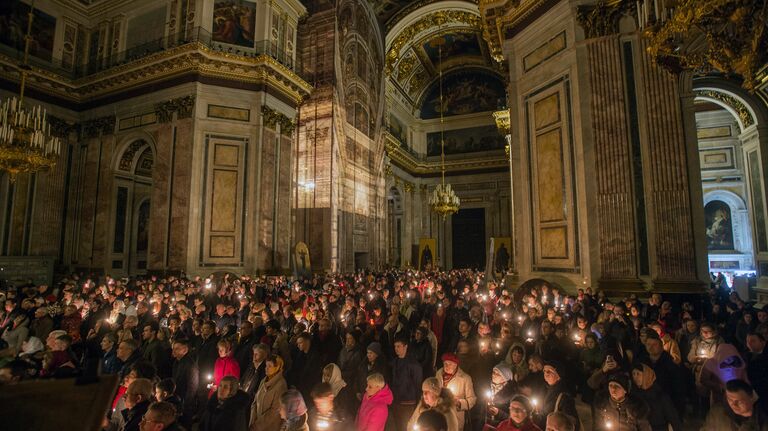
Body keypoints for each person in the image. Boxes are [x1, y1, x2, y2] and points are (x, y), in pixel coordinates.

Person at [630, 364, 681, 431]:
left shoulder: (660, 396)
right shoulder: (633, 395)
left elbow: (673, 419)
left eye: (638, 374)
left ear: (646, 375)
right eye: (633, 374)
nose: (635, 377)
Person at [701, 379, 768, 430]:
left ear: (751, 398)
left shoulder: (763, 420)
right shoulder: (718, 413)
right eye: (730, 400)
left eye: (738, 401)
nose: (733, 405)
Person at [435, 353, 476, 431]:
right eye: (445, 363)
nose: (447, 366)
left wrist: (459, 403)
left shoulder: (465, 378)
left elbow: (472, 400)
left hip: (455, 416)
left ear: (456, 365)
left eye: (450, 364)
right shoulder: (439, 374)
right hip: (439, 414)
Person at [533, 362, 579, 431]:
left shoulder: (564, 396)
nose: (546, 374)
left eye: (549, 371)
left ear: (558, 375)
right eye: (544, 371)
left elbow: (572, 422)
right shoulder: (544, 389)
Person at [391, 337, 424, 431]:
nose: (396, 349)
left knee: (406, 426)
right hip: (397, 400)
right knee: (398, 425)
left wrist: (417, 402)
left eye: (398, 346)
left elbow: (418, 384)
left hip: (408, 402)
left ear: (405, 347)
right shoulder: (395, 362)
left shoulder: (414, 364)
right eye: (395, 346)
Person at [250, 354, 288, 431]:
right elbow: (255, 402)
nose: (266, 368)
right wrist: (252, 421)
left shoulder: (281, 385)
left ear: (277, 367)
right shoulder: (263, 380)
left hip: (269, 427)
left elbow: (275, 411)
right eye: (266, 365)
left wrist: (258, 426)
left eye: (270, 366)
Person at [171, 338, 199, 427]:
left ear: (185, 350)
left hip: (185, 402)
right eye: (173, 348)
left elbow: (192, 386)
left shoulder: (190, 365)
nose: (174, 351)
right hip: (178, 399)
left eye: (177, 349)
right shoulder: (177, 362)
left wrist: (186, 404)